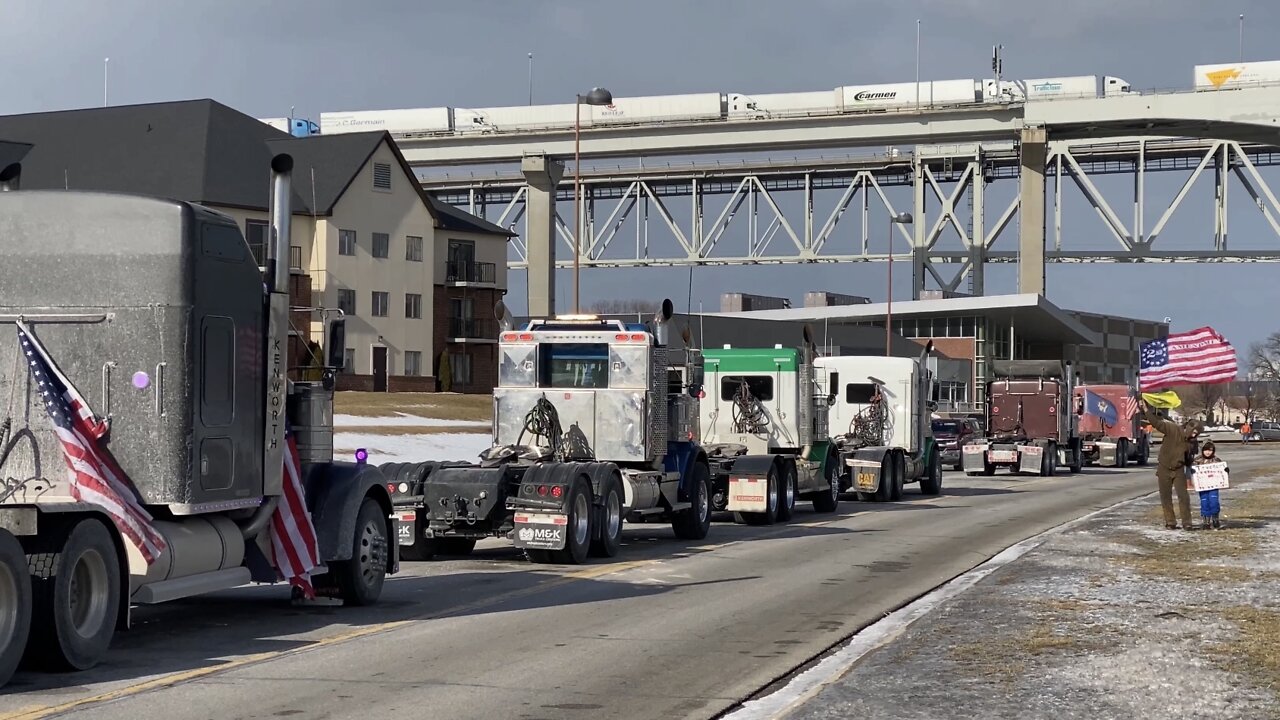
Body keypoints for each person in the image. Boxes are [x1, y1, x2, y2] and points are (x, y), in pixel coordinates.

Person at [1137, 401, 1202, 531]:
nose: (1194, 435)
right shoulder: (1172, 429)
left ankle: (1187, 522)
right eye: (1194, 432)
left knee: (1183, 496)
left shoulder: (1192, 443)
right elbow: (1156, 423)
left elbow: (1189, 460)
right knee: (1165, 496)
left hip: (1178, 470)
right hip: (1164, 467)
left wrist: (1192, 461)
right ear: (1189, 428)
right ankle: (1170, 521)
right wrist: (1146, 410)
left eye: (1197, 433)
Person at [1190, 440, 1227, 530]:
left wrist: (1226, 471)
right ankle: (1206, 521)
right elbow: (1192, 470)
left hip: (1213, 486)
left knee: (1213, 501)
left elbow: (1222, 471)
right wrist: (1193, 472)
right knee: (1204, 502)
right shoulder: (1198, 460)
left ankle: (1215, 518)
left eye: (1210, 450)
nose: (1208, 452)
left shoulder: (1216, 460)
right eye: (1206, 450)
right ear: (1202, 450)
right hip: (1202, 486)